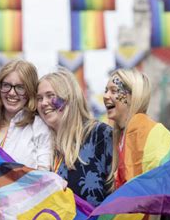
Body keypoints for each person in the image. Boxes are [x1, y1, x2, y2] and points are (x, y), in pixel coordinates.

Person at [103, 69, 170, 220]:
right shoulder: (125, 135)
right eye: (106, 90)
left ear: (131, 96)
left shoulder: (141, 128)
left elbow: (156, 194)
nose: (106, 96)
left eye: (114, 91)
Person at [36, 68, 113, 207]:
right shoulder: (39, 143)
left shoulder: (99, 134)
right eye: (39, 98)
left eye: (50, 95)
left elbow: (120, 187)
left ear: (68, 98)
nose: (43, 103)